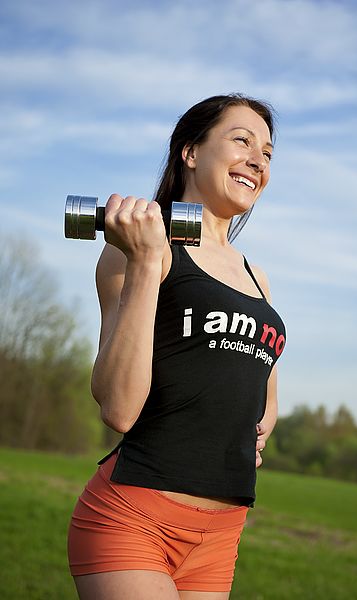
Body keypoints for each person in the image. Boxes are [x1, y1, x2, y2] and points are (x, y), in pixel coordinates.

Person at [67, 93, 286, 600]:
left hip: (221, 534)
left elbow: (263, 385)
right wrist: (146, 262)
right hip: (134, 520)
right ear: (190, 151)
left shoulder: (258, 278)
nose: (258, 159)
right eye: (241, 140)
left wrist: (262, 423)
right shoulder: (136, 250)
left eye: (269, 152)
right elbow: (119, 407)